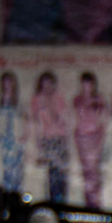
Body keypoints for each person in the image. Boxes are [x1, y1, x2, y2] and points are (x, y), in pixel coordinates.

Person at [31, 71, 70, 203]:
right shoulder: (37, 99)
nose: (47, 88)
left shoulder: (58, 98)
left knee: (61, 173)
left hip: (60, 139)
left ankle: (62, 202)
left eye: (49, 85)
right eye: (44, 85)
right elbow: (36, 123)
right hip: (47, 140)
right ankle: (54, 202)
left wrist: (51, 106)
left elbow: (62, 120)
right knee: (51, 175)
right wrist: (38, 146)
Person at [72, 73, 106, 209]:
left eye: (89, 84)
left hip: (94, 137)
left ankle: (96, 203)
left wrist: (100, 139)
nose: (86, 87)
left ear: (93, 85)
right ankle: (89, 204)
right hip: (82, 137)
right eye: (84, 84)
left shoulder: (99, 100)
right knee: (86, 172)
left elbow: (104, 120)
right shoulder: (77, 100)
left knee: (94, 172)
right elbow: (75, 119)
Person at [0, 72, 26, 196]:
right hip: (5, 141)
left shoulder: (18, 100)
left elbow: (25, 119)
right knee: (7, 171)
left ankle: (16, 195)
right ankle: (8, 195)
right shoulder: (0, 100)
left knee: (17, 171)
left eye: (9, 81)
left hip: (17, 140)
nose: (7, 84)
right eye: (5, 82)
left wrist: (23, 135)